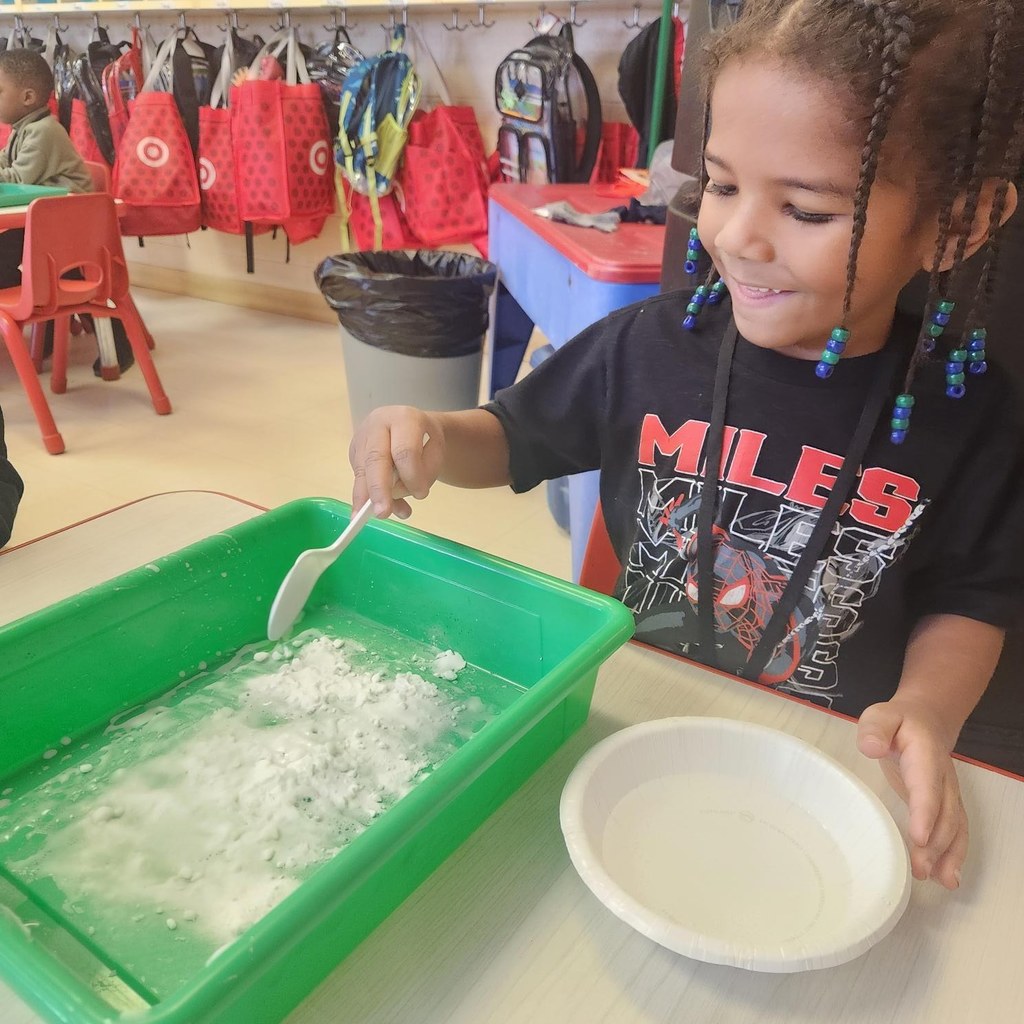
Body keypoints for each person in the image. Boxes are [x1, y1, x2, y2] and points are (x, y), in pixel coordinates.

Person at [349, 0, 1024, 891]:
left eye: (808, 211)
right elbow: (510, 439)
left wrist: (926, 712)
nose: (738, 236)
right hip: (638, 735)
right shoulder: (645, 347)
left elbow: (972, 597)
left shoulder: (968, 410)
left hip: (821, 768)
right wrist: (431, 434)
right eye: (722, 184)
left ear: (959, 222)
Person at [0, 48, 133, 376]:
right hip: (48, 232)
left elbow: (17, 178)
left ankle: (119, 345)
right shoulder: (23, 129)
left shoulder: (44, 131)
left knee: (16, 268)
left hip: (76, 240)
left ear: (28, 96)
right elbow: (6, 164)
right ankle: (39, 336)